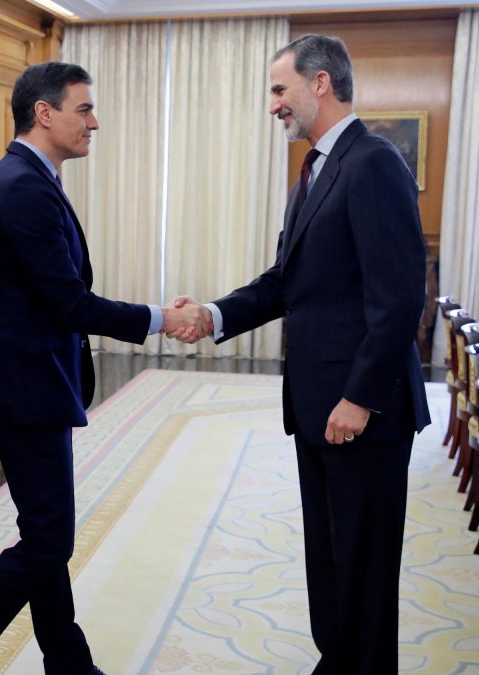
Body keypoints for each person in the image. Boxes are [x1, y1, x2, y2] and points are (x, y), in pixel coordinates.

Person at [0, 62, 203, 675]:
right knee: (47, 542)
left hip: (30, 386)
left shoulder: (31, 178)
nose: (95, 122)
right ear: (44, 112)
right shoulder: (21, 187)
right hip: (25, 392)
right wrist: (161, 318)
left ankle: (68, 664)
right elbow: (70, 302)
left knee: (45, 535)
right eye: (84, 109)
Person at [170, 34, 431, 674]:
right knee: (331, 559)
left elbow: (400, 299)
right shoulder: (315, 171)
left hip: (360, 415)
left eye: (279, 89)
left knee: (363, 571)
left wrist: (359, 398)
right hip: (317, 406)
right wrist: (213, 315)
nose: (273, 105)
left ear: (320, 83)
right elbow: (287, 282)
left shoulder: (373, 163)